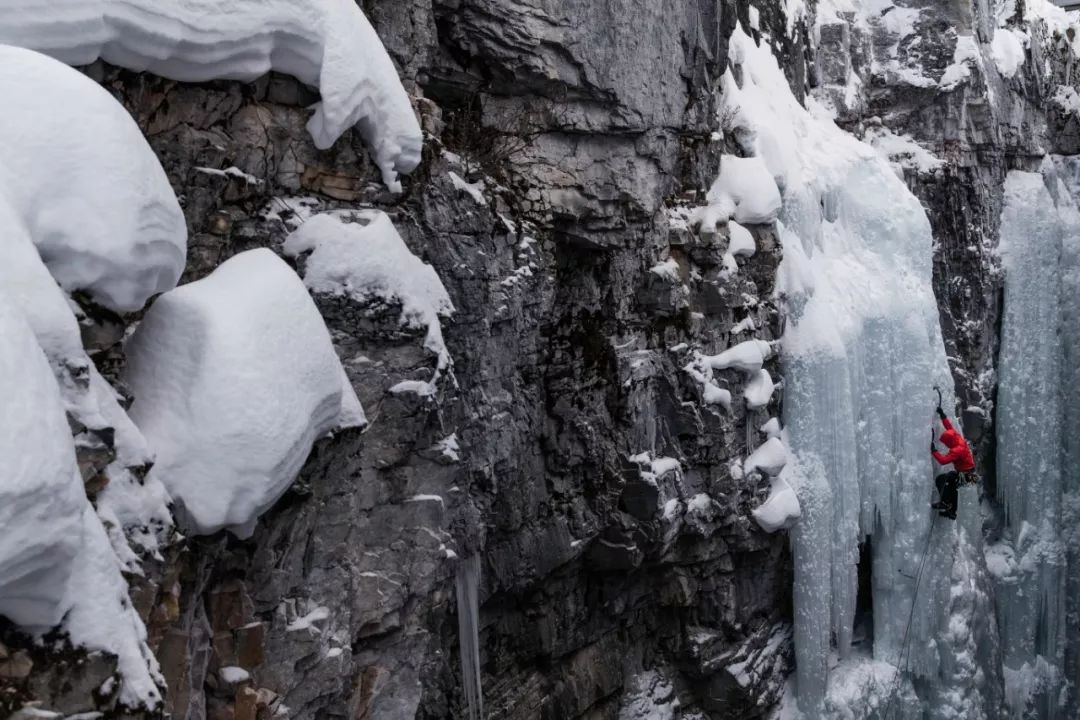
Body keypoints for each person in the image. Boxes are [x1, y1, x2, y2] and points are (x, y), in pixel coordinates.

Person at [930, 405, 975, 520]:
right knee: (951, 482)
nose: (946, 445)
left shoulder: (957, 449)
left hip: (966, 476)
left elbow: (943, 461)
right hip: (969, 474)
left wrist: (934, 451)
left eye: (946, 443)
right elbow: (949, 427)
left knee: (942, 479)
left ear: (949, 442)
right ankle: (952, 511)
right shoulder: (958, 438)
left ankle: (945, 503)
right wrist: (942, 414)